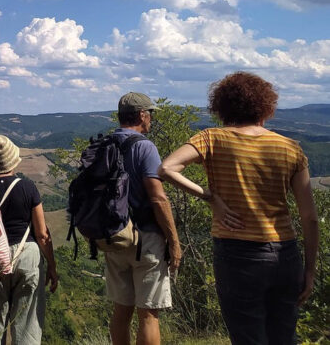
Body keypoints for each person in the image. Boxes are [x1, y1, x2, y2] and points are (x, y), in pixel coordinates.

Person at [158, 72, 318, 345]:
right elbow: (309, 217)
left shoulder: (211, 138)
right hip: (285, 254)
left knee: (247, 337)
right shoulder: (291, 148)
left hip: (237, 255)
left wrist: (210, 198)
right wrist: (310, 270)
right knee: (284, 337)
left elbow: (166, 168)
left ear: (223, 107)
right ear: (266, 107)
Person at [0, 135, 58, 345]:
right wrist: (52, 266)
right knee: (27, 326)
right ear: (14, 159)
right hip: (27, 255)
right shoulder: (28, 187)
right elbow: (42, 234)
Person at [106, 92, 181, 345]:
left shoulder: (106, 144)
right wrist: (173, 241)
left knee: (121, 311)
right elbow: (158, 198)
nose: (151, 119)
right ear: (141, 115)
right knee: (148, 314)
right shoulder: (144, 146)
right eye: (150, 114)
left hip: (114, 237)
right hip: (146, 239)